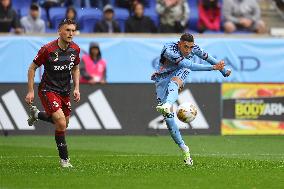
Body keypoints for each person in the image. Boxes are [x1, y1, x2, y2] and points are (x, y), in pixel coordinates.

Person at [151, 33, 231, 165]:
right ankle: (185, 149)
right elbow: (191, 64)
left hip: (180, 72)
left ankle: (167, 104)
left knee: (175, 82)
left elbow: (206, 57)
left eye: (190, 47)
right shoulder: (169, 50)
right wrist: (213, 68)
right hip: (162, 78)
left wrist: (223, 70)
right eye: (186, 47)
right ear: (180, 43)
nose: (188, 50)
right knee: (169, 119)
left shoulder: (194, 48)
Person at [25, 19, 80, 168]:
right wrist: (30, 91)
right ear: (59, 32)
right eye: (67, 30)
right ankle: (65, 161)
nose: (71, 33)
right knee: (61, 123)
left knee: (64, 123)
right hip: (47, 89)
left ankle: (37, 115)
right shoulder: (47, 49)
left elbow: (75, 68)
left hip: (64, 91)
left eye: (73, 30)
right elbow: (32, 68)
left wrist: (76, 88)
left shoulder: (75, 49)